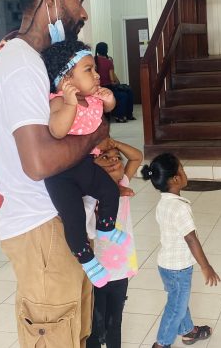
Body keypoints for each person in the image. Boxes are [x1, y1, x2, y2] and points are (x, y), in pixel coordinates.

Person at [0, 0, 109, 348]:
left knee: (74, 329)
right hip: (40, 229)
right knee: (55, 333)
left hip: (53, 224)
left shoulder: (31, 60)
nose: (84, 12)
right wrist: (96, 135)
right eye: (79, 0)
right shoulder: (22, 65)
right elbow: (39, 163)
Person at [41, 39, 127, 288]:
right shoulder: (59, 101)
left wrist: (109, 99)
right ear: (66, 80)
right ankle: (87, 260)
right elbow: (57, 131)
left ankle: (106, 228)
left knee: (110, 191)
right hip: (61, 174)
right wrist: (69, 102)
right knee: (74, 218)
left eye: (94, 69)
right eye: (88, 70)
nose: (97, 75)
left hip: (85, 164)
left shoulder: (93, 99)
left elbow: (108, 109)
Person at [141, 153, 220, 348]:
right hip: (179, 269)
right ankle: (161, 343)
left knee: (178, 300)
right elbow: (191, 238)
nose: (185, 173)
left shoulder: (164, 203)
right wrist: (206, 266)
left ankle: (188, 331)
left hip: (166, 265)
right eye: (182, 169)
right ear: (175, 179)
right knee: (176, 307)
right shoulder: (180, 208)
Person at [86, 138, 142, 348]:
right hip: (96, 272)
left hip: (121, 270)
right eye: (105, 157)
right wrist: (111, 193)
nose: (114, 161)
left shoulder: (123, 184)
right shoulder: (89, 196)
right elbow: (88, 229)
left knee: (114, 322)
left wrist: (114, 144)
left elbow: (137, 156)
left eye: (117, 158)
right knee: (94, 325)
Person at [95, 42, 135, 123]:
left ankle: (121, 115)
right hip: (107, 88)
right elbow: (113, 80)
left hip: (95, 88)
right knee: (124, 94)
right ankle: (123, 116)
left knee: (123, 92)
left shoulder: (93, 60)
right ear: (106, 50)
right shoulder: (108, 62)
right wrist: (117, 83)